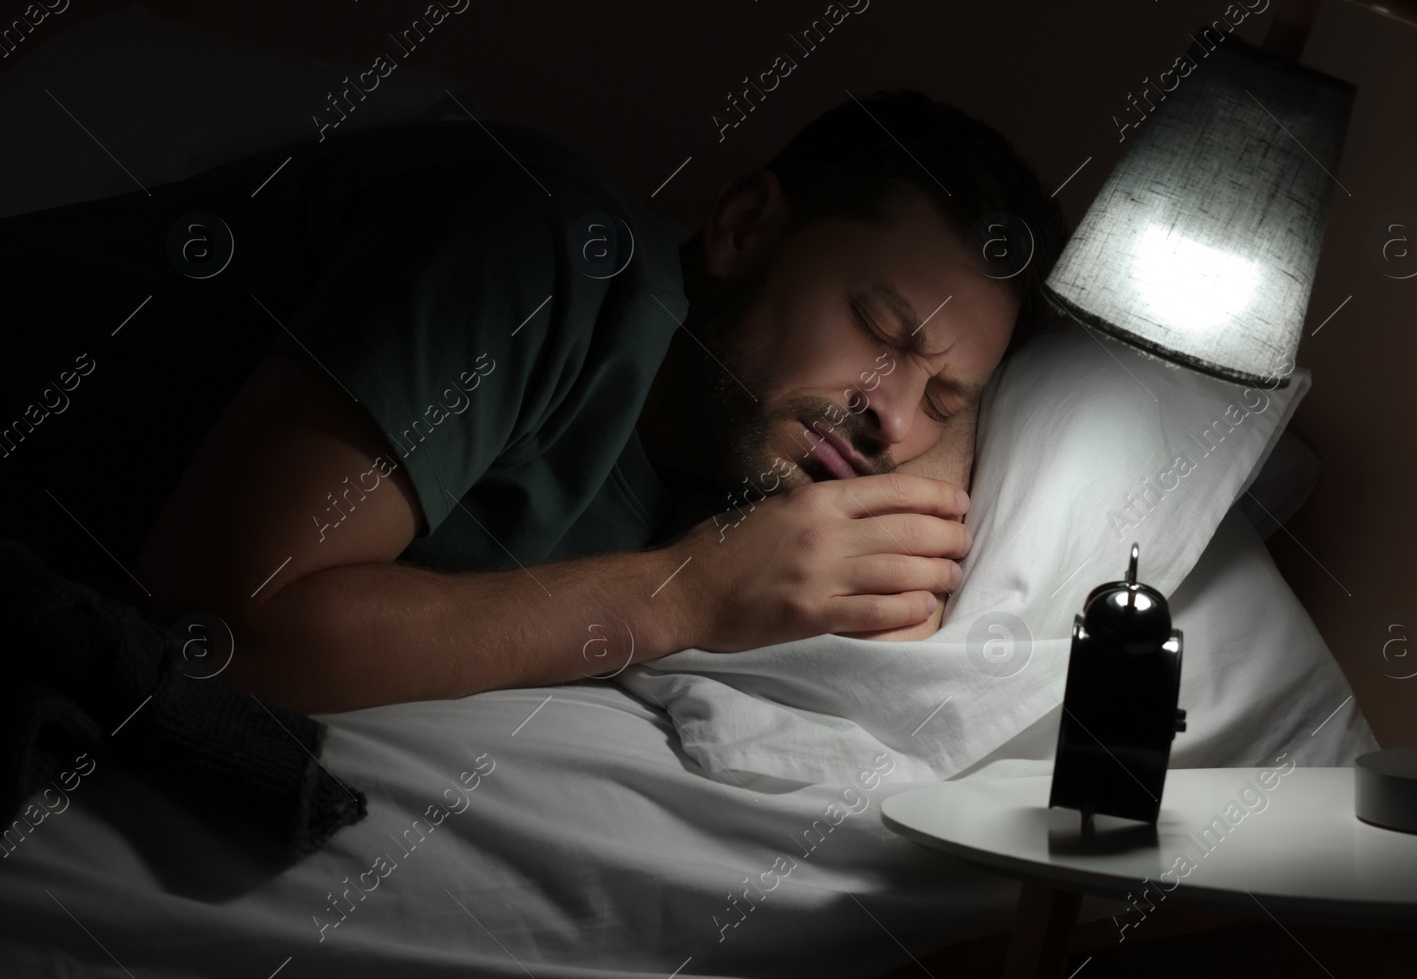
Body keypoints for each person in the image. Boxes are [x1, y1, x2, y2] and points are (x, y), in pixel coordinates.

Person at [0, 89, 1065, 713]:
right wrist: (679, 596)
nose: (893, 416)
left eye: (949, 396)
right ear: (742, 227)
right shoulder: (540, 247)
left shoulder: (728, 472)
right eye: (882, 331)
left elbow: (899, 624)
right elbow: (214, 622)